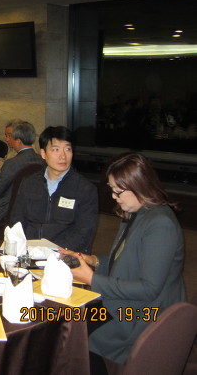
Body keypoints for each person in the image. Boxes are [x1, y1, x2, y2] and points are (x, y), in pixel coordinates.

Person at [59, 152, 185, 371]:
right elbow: (127, 264)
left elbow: (148, 289)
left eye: (118, 191)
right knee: (70, 321)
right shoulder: (137, 212)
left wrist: (91, 279)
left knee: (75, 335)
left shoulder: (160, 225)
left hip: (145, 314)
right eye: (112, 189)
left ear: (139, 186)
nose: (114, 196)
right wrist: (92, 260)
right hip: (129, 303)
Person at [10, 126, 98, 253]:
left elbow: (84, 234)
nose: (63, 156)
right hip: (28, 252)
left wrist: (53, 252)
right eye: (56, 150)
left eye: (67, 149)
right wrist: (23, 247)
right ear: (43, 153)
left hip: (63, 255)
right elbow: (16, 222)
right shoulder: (29, 183)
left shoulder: (85, 189)